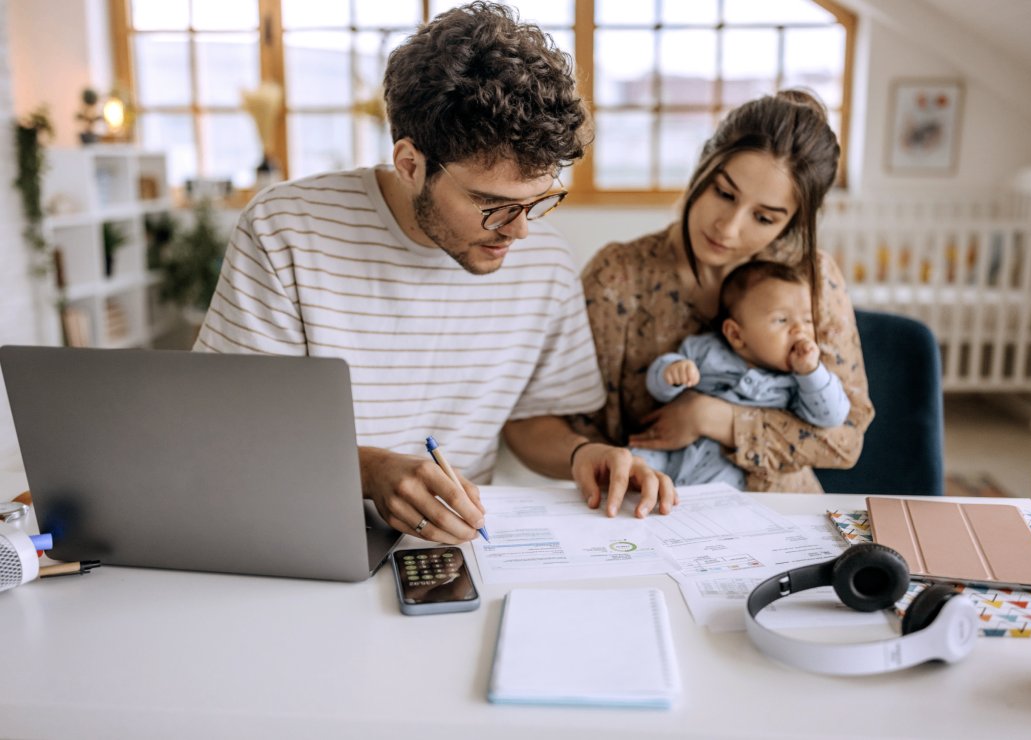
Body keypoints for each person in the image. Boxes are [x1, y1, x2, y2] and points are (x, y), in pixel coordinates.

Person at [193, 2, 675, 545]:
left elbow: (530, 420)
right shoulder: (288, 229)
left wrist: (584, 454)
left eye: (539, 200)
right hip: (303, 530)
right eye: (492, 204)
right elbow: (232, 430)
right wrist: (371, 472)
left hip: (459, 546)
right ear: (409, 164)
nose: (519, 232)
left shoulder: (544, 260)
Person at [574, 89, 875, 500]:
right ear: (703, 165)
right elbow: (572, 430)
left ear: (790, 224)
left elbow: (845, 440)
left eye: (764, 217)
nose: (728, 228)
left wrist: (714, 417)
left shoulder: (813, 278)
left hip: (781, 515)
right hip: (650, 508)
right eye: (724, 193)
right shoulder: (618, 276)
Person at [633, 260, 850, 489]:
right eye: (781, 320)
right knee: (635, 462)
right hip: (672, 451)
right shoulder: (706, 350)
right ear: (736, 335)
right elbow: (657, 389)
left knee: (721, 492)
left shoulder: (797, 382)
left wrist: (811, 372)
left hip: (726, 465)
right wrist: (671, 372)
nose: (800, 330)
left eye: (808, 320)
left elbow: (832, 417)